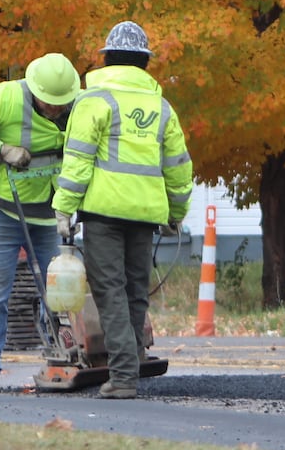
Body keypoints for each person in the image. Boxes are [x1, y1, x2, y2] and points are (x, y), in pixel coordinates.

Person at [52, 20, 193, 399]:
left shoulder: (93, 101)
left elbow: (78, 160)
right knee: (134, 291)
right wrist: (177, 211)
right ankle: (130, 367)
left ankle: (125, 377)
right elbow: (178, 165)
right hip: (146, 214)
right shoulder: (161, 107)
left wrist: (63, 207)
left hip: (104, 213)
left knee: (109, 290)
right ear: (144, 63)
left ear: (107, 58)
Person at [0, 53, 82, 393]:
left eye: (60, 104)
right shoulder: (6, 97)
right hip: (0, 208)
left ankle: (62, 357)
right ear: (33, 90)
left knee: (60, 291)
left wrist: (67, 208)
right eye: (48, 103)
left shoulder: (78, 107)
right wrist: (0, 150)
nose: (55, 109)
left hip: (49, 210)